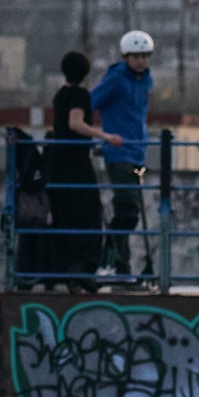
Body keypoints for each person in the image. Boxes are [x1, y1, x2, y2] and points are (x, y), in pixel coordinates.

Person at [44, 50, 120, 289]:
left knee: (65, 215)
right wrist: (104, 136)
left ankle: (65, 268)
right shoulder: (79, 94)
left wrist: (93, 145)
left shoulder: (60, 95)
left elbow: (64, 127)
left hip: (58, 161)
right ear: (86, 73)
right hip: (74, 163)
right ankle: (83, 267)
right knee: (89, 213)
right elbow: (75, 124)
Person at [90, 30, 155, 279]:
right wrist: (101, 136)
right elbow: (90, 102)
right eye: (136, 56)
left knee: (124, 210)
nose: (141, 61)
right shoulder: (116, 79)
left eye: (145, 56)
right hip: (118, 153)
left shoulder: (146, 81)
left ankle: (121, 266)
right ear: (126, 57)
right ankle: (110, 252)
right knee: (128, 210)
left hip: (138, 152)